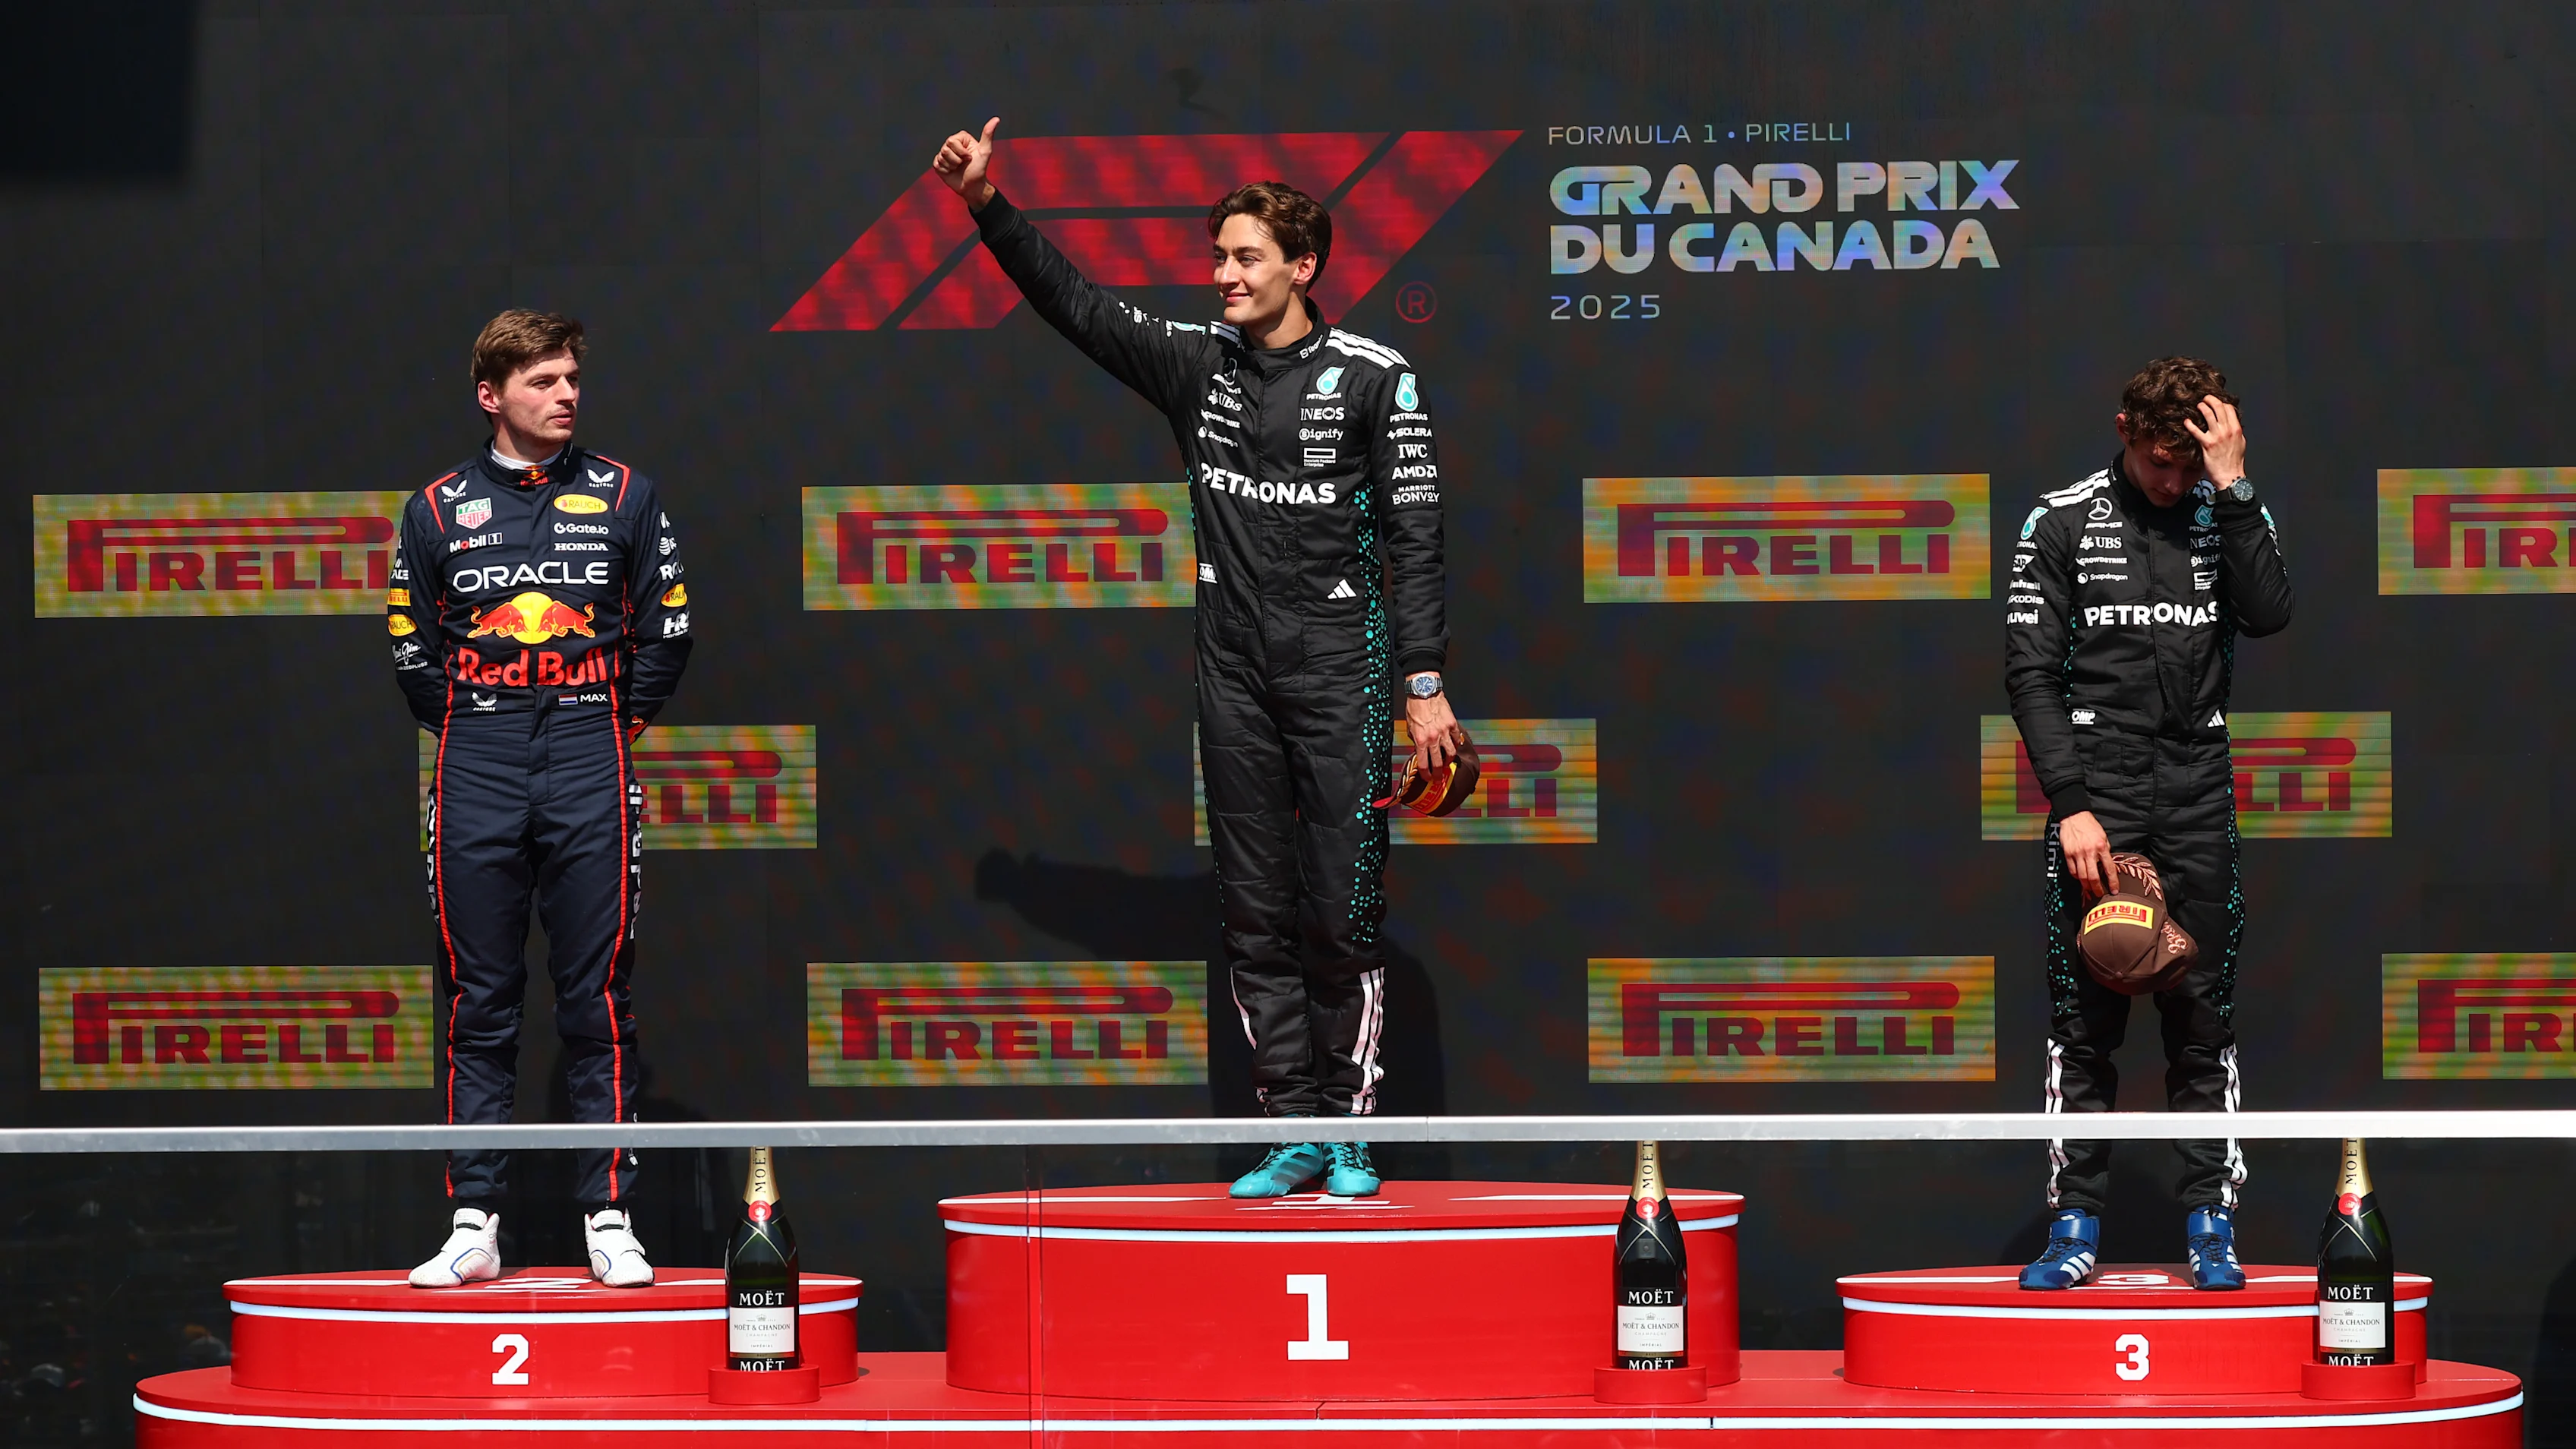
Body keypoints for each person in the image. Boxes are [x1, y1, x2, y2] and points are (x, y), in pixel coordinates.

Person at [931, 118, 1462, 1198]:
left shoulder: (1375, 378)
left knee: (1340, 908)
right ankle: (1294, 1130)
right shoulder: (1193, 364)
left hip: (1340, 669)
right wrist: (986, 203)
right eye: (1218, 257)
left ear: (1302, 266)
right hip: (1231, 670)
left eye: (1244, 257)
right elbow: (1073, 305)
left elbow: (1418, 539)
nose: (1221, 275)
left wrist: (1424, 688)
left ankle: (1354, 1133)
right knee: (1253, 907)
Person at [389, 310, 695, 1286]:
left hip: (585, 754)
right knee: (480, 1000)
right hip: (474, 756)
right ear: (492, 396)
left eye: (571, 379)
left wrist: (598, 726)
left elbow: (667, 634)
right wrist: (486, 719)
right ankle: (473, 1218)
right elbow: (410, 649)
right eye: (543, 382)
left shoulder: (625, 496)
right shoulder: (435, 507)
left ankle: (608, 1212)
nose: (566, 395)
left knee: (596, 995)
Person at [2004, 356, 2293, 1290]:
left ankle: (2210, 1222)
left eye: (2189, 463)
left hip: (2196, 779)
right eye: (2160, 463)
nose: (2173, 482)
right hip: (2101, 786)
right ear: (2125, 430)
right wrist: (2072, 803)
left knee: (2198, 1010)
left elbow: (2271, 614)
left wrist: (2233, 485)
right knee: (2084, 1016)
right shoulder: (2059, 517)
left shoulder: (2226, 506)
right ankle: (2073, 1225)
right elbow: (2029, 674)